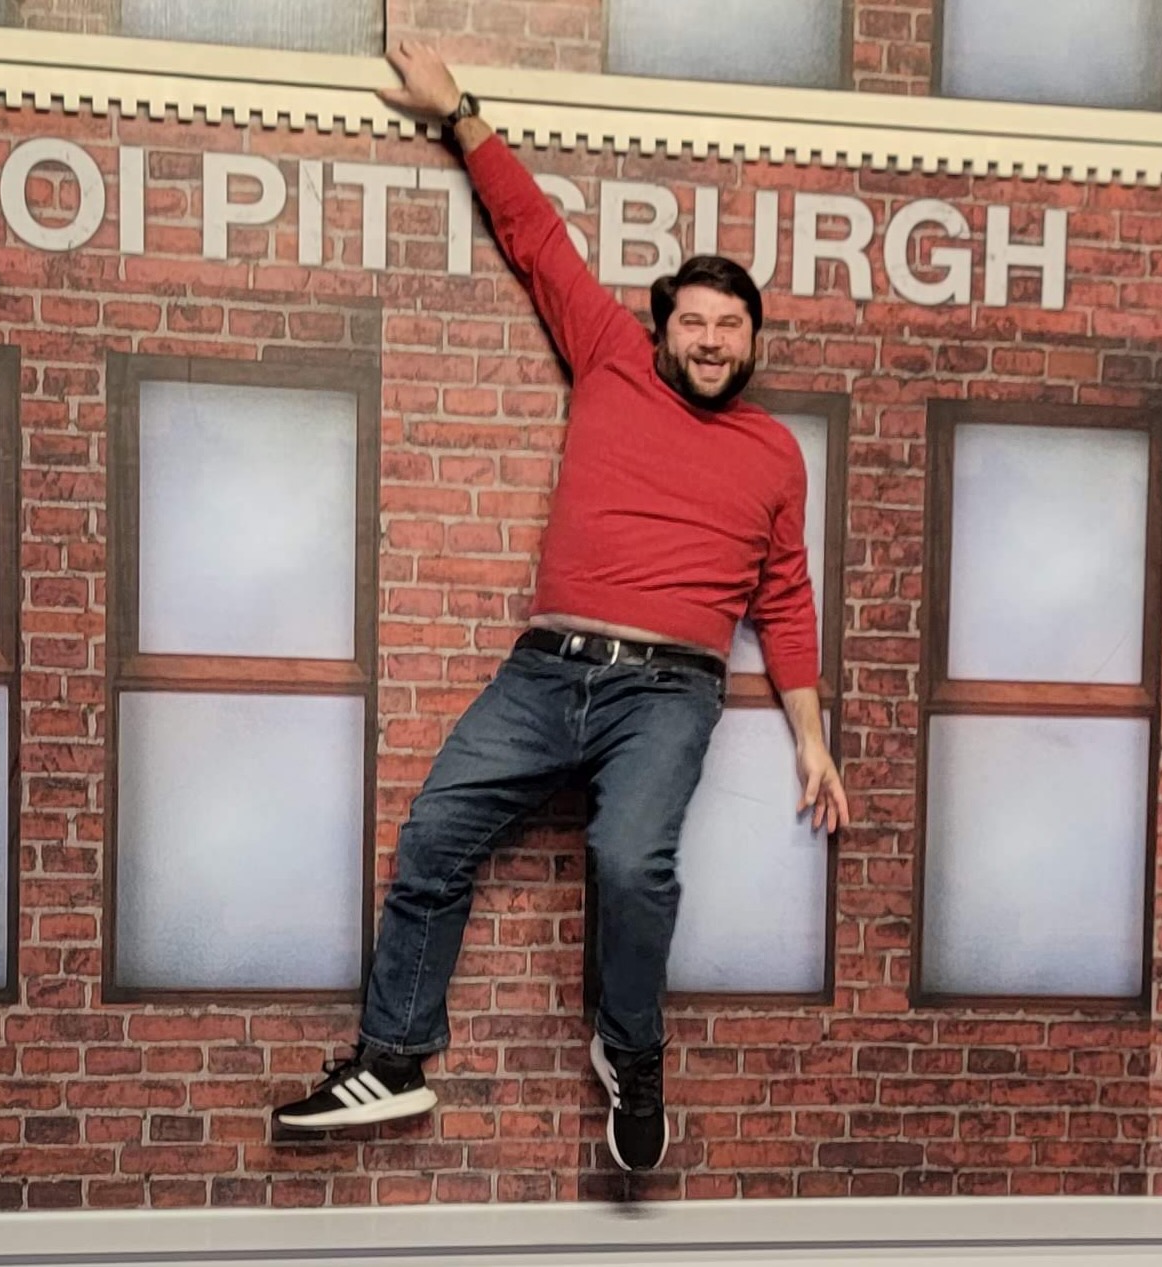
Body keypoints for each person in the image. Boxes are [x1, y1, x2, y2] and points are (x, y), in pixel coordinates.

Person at [272, 42, 851, 1173]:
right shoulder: (606, 356)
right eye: (692, 323)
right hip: (546, 669)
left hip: (670, 690)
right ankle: (392, 1061)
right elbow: (533, 235)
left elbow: (784, 597)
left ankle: (631, 1051)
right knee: (434, 832)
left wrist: (811, 740)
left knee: (632, 861)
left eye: (730, 330)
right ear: (660, 327)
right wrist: (460, 116)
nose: (710, 342)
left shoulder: (774, 451)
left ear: (752, 343)